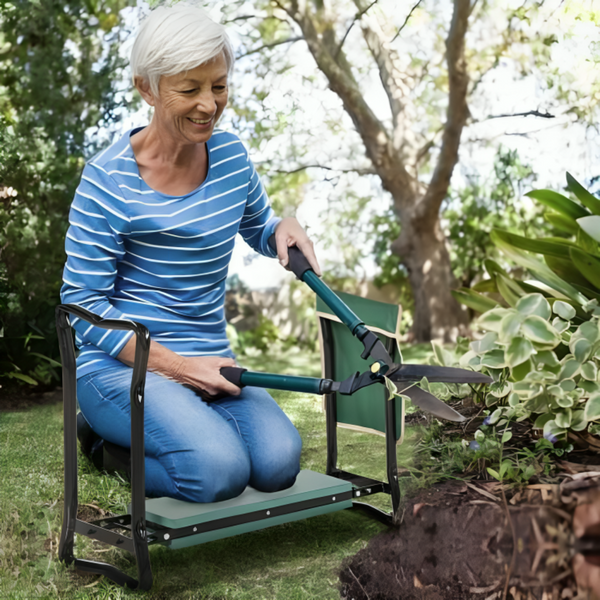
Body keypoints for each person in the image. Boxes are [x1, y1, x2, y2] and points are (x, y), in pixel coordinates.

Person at [60, 1, 321, 504]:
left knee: (277, 463)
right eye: (190, 89)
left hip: (210, 359)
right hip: (123, 367)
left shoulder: (231, 157)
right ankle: (100, 444)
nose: (210, 104)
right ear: (147, 88)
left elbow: (260, 229)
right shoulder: (108, 179)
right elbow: (82, 307)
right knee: (216, 472)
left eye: (218, 86)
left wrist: (282, 226)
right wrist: (177, 368)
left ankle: (184, 435)